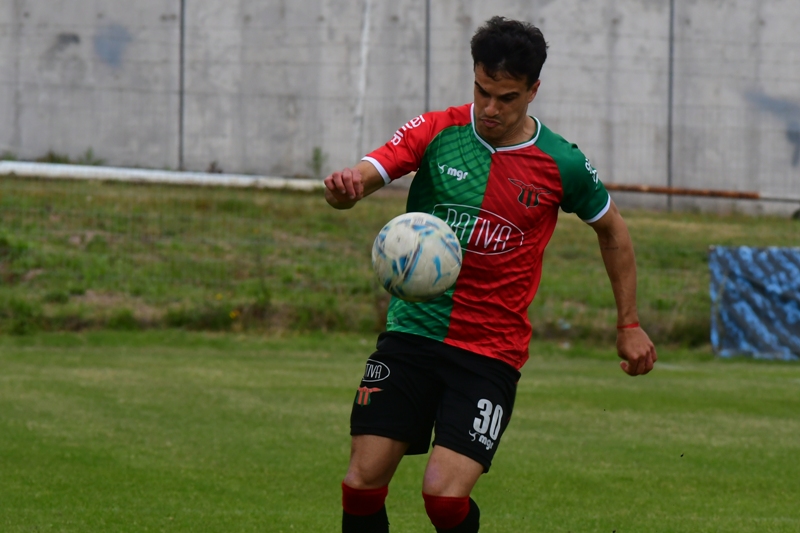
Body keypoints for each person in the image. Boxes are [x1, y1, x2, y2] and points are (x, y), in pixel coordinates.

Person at [323, 16, 657, 533]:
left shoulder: (559, 162)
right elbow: (374, 170)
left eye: (507, 97)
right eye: (482, 91)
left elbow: (613, 232)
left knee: (443, 498)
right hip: (412, 333)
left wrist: (628, 322)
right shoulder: (438, 130)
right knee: (362, 482)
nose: (490, 108)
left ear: (533, 91)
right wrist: (348, 186)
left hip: (488, 352)